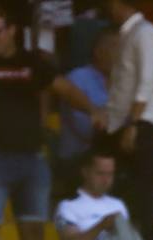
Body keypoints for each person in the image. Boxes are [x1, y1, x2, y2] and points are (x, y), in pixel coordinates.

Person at [0, 5, 103, 240]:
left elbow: (66, 89)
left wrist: (92, 109)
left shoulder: (32, 63)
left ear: (12, 31)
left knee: (34, 235)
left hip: (31, 158)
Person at [104, 0, 153, 240]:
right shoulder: (128, 33)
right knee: (122, 191)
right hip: (120, 123)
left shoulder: (145, 32)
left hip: (139, 124)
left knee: (141, 191)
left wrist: (133, 125)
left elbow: (146, 82)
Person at [56, 31, 116, 192]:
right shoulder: (77, 78)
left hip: (112, 156)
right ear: (98, 51)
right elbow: (86, 129)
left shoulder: (122, 81)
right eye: (115, 48)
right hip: (79, 158)